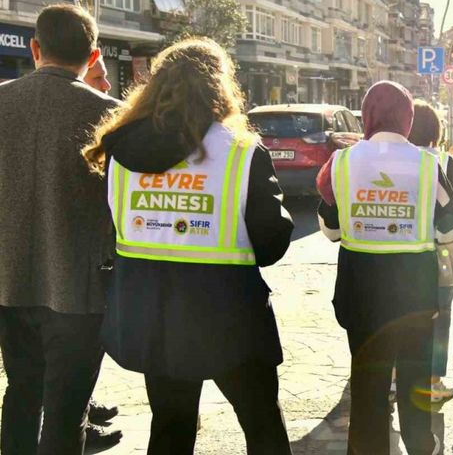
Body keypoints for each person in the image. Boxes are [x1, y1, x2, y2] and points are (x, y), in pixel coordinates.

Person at [81, 38, 295, 455]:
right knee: (263, 427)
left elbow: (112, 228)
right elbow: (270, 244)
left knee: (171, 429)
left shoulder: (120, 151)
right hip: (231, 320)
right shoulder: (240, 152)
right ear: (220, 87)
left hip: (154, 317)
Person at [316, 81, 453, 455]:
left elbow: (331, 230)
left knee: (368, 384)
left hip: (360, 292)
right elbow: (449, 230)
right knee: (415, 378)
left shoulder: (342, 162)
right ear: (407, 118)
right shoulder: (428, 164)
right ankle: (419, 446)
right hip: (415, 292)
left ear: (367, 116)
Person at [0, 4, 120, 455]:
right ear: (93, 57)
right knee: (68, 411)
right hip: (80, 289)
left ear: (35, 48)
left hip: (9, 284)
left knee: (20, 394)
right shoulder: (110, 116)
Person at [408, 100, 453, 403]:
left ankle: (395, 378)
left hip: (398, 253)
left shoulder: (395, 161)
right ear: (436, 130)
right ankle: (432, 382)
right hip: (440, 255)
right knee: (440, 317)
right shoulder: (449, 165)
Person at [80, 53, 124, 450]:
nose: (107, 86)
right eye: (99, 77)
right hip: (82, 265)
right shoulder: (106, 120)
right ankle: (80, 424)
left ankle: (86, 407)